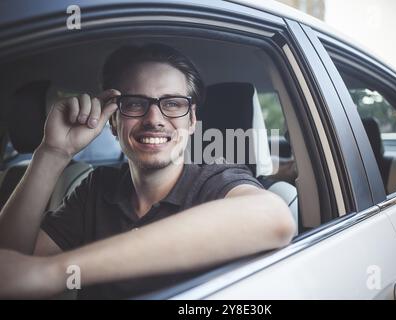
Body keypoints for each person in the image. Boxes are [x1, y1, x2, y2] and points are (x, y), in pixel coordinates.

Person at [0, 44, 296, 299]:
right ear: (113, 122)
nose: (154, 119)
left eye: (173, 103)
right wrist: (52, 153)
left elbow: (275, 218)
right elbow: (12, 267)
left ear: (192, 121)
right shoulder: (96, 188)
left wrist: (53, 272)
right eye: (134, 104)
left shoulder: (215, 181)